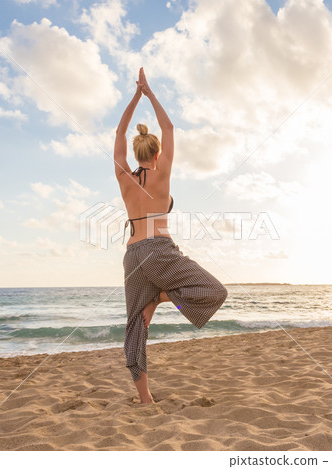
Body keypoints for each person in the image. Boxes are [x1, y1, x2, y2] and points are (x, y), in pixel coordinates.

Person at [114, 67, 228, 404]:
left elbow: (120, 130)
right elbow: (169, 127)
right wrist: (149, 93)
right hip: (158, 252)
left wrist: (135, 97)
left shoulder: (123, 176)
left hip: (132, 254)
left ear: (136, 154)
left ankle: (145, 399)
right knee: (213, 292)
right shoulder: (162, 173)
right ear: (157, 154)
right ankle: (162, 299)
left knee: (135, 326)